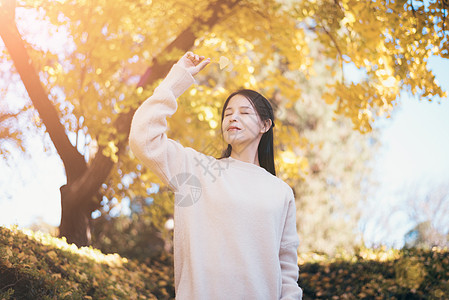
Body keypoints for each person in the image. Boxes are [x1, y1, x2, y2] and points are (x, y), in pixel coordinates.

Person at [129, 51, 303, 299]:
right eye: (228, 113)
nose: (233, 117)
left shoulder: (281, 192)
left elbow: (287, 270)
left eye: (244, 112)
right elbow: (143, 138)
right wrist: (177, 79)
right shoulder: (195, 169)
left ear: (265, 125)